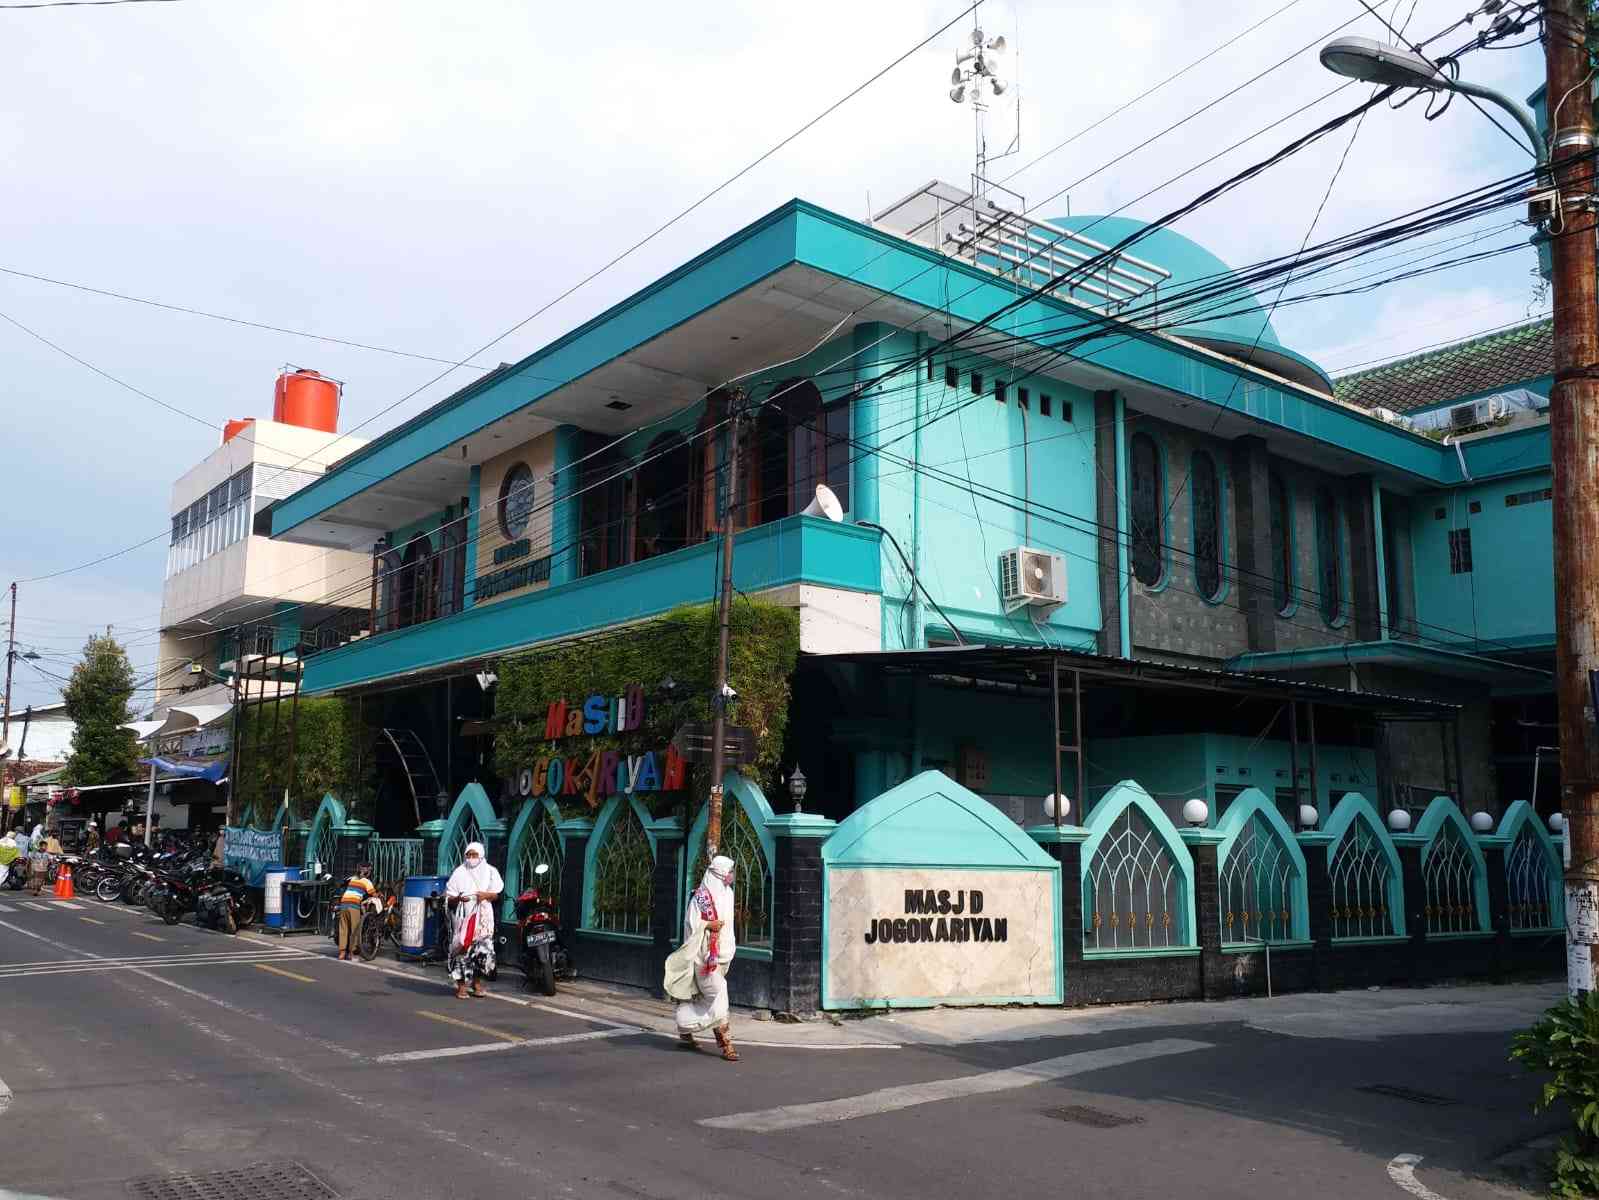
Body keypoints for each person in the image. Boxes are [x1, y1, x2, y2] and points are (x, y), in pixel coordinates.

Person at [675, 855, 739, 1062]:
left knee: (707, 999)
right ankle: (727, 1045)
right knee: (720, 996)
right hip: (705, 958)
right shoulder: (700, 897)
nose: (731, 875)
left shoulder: (728, 894)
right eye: (729, 871)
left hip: (724, 954)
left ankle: (685, 1026)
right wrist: (708, 926)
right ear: (719, 873)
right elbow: (690, 924)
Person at [444, 843, 502, 999]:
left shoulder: (491, 872)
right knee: (462, 950)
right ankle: (462, 987)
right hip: (465, 918)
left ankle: (477, 984)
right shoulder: (459, 872)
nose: (471, 859)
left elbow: (497, 894)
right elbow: (449, 898)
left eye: (474, 855)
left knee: (482, 952)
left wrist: (486, 895)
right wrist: (458, 899)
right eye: (468, 855)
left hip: (483, 919)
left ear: (481, 855)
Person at [335, 862, 378, 961]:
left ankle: (342, 953)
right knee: (355, 930)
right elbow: (373, 894)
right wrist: (379, 895)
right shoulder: (367, 882)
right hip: (353, 905)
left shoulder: (353, 879)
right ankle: (351, 953)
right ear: (368, 872)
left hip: (344, 904)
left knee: (343, 929)